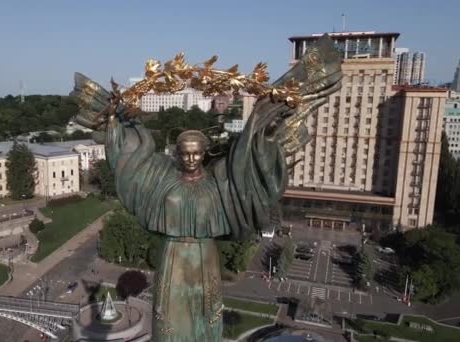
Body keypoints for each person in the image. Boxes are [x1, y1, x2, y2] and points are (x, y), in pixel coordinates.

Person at [70, 35, 341, 341]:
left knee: (204, 318)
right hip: (172, 259)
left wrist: (266, 121)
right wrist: (118, 120)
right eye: (184, 152)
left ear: (204, 151)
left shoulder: (219, 184)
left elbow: (246, 163)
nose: (190, 158)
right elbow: (132, 159)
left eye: (197, 152)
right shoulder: (161, 178)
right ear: (177, 153)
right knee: (170, 320)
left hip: (206, 259)